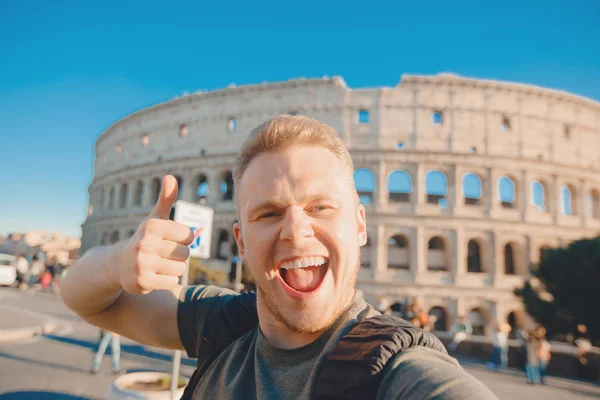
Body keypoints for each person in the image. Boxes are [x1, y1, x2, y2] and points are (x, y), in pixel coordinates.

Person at [60, 116, 496, 399]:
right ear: (241, 242)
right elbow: (82, 297)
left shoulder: (397, 370)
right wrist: (119, 261)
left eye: (320, 207)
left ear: (360, 226)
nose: (296, 231)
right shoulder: (222, 322)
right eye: (268, 213)